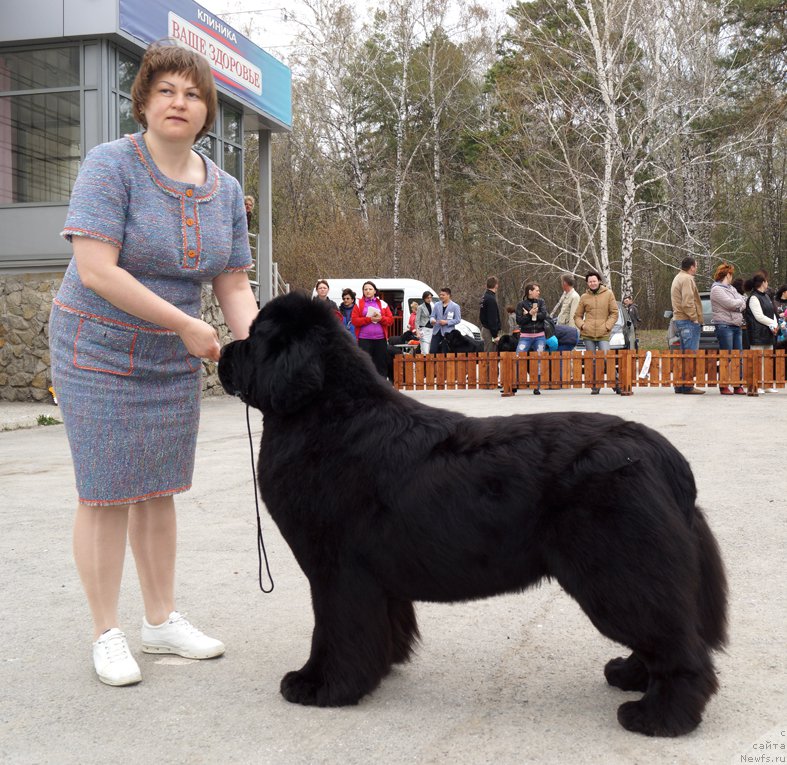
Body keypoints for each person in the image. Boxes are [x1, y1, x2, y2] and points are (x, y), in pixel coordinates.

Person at [48, 41, 260, 686]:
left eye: (193, 94)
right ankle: (106, 631)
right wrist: (187, 324)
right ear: (142, 101)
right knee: (109, 488)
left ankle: (160, 620)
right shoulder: (110, 164)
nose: (179, 102)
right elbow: (95, 269)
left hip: (169, 356)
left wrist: (261, 353)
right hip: (98, 347)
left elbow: (233, 283)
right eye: (166, 90)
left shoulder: (224, 189)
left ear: (207, 112)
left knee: (159, 487)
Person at [574, 271, 619, 394]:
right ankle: (595, 385)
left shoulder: (608, 294)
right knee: (592, 360)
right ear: (587, 283)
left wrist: (607, 326)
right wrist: (582, 326)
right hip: (588, 334)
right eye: (590, 282)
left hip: (603, 333)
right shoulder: (584, 297)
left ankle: (616, 383)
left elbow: (614, 313)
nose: (592, 283)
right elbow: (577, 316)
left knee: (606, 358)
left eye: (594, 281)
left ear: (599, 281)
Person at [670, 256, 705, 395]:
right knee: (690, 354)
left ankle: (680, 385)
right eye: (696, 266)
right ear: (692, 267)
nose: (696, 268)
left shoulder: (678, 277)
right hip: (687, 320)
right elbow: (687, 302)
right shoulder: (687, 279)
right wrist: (695, 318)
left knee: (683, 355)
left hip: (679, 319)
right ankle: (689, 386)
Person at [710, 263, 746, 395]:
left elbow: (744, 301)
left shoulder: (732, 288)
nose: (732, 277)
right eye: (731, 274)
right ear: (727, 274)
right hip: (724, 326)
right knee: (727, 357)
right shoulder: (716, 289)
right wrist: (739, 302)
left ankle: (738, 385)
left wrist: (739, 302)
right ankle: (724, 385)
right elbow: (731, 304)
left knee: (738, 356)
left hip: (736, 325)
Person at [744, 273, 779, 393]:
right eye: (766, 281)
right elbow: (759, 316)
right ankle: (757, 385)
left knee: (768, 359)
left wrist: (775, 324)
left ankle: (767, 384)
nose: (767, 283)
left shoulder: (767, 296)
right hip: (757, 333)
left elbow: (772, 312)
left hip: (768, 332)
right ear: (762, 283)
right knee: (757, 360)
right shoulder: (754, 298)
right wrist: (772, 324)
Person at [351, 280, 393, 377]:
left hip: (380, 339)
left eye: (370, 289)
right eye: (365, 289)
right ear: (363, 291)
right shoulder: (358, 304)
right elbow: (354, 321)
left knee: (381, 364)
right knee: (364, 364)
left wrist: (380, 318)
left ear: (375, 291)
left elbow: (390, 320)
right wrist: (369, 319)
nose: (368, 291)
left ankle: (382, 388)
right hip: (364, 339)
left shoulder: (383, 303)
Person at [429, 287, 461, 354]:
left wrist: (446, 322)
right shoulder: (437, 305)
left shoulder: (455, 306)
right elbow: (432, 316)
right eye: (440, 295)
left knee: (445, 352)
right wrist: (432, 320)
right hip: (436, 331)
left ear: (448, 295)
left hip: (448, 333)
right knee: (433, 351)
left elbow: (458, 319)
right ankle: (434, 364)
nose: (441, 296)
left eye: (443, 295)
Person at [479, 276, 502, 352]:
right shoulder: (490, 299)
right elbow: (492, 318)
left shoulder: (484, 297)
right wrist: (495, 335)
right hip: (489, 331)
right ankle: (488, 364)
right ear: (496, 285)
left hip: (485, 328)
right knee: (490, 354)